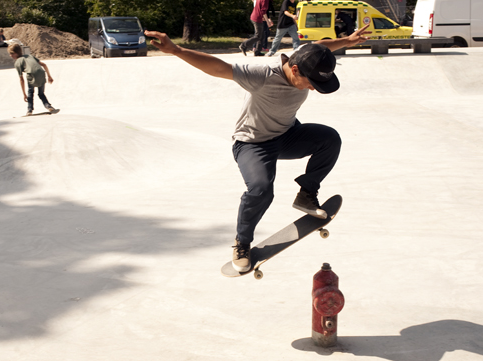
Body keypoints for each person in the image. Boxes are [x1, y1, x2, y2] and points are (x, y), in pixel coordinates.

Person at [145, 25, 371, 272]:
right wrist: (176, 49)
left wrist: (347, 40)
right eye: (310, 83)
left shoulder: (304, 57)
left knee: (329, 139)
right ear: (294, 69)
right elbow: (219, 68)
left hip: (287, 135)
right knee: (261, 190)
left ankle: (306, 194)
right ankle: (241, 243)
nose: (313, 88)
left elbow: (320, 48)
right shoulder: (262, 75)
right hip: (252, 144)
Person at [7, 43, 57, 116]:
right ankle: (48, 106)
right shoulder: (29, 56)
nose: (10, 56)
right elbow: (44, 64)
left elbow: (21, 79)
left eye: (11, 54)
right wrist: (49, 76)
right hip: (42, 74)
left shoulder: (17, 62)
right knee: (41, 93)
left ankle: (29, 110)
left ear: (16, 53)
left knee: (30, 93)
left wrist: (24, 94)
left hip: (32, 75)